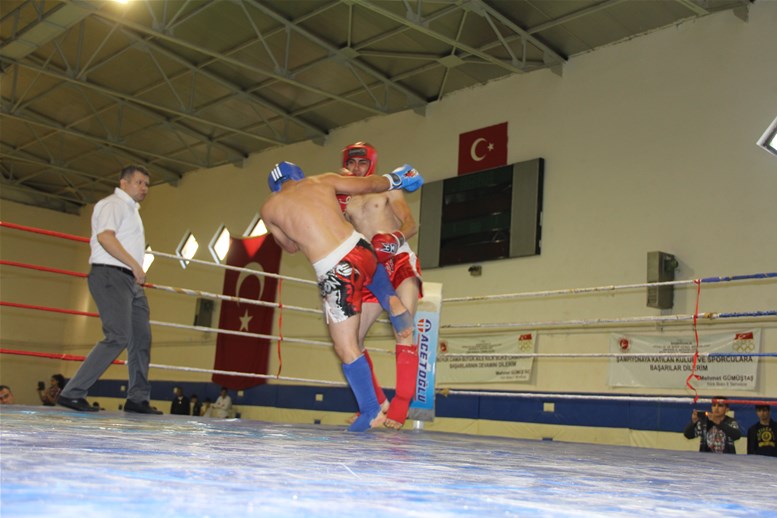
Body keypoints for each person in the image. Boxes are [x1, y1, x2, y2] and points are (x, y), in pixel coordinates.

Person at [260, 160, 423, 432]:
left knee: (345, 346)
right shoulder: (322, 180)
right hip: (364, 249)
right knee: (369, 277)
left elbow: (288, 247)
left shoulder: (269, 207)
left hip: (337, 270)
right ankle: (391, 301)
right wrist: (397, 179)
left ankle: (371, 410)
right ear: (299, 175)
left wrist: (300, 234)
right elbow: (370, 183)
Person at [57, 165, 162, 415]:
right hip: (111, 274)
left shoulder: (132, 211)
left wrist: (134, 270)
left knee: (141, 338)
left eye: (147, 184)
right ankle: (72, 392)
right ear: (124, 183)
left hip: (129, 281)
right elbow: (105, 237)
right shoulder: (113, 204)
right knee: (118, 336)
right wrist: (135, 265)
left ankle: (137, 398)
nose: (144, 188)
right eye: (139, 182)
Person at [339, 142, 423, 430]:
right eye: (352, 163)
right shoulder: (345, 200)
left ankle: (401, 403)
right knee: (352, 339)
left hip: (397, 259)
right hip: (370, 268)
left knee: (404, 328)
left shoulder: (388, 187)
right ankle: (376, 404)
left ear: (371, 163)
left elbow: (411, 223)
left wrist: (395, 239)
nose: (356, 168)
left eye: (362, 162)